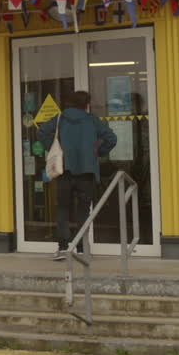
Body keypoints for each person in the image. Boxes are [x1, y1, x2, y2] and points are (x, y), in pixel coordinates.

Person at [38, 90, 117, 260]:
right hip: (87, 172)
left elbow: (42, 132)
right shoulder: (92, 121)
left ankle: (63, 248)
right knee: (83, 210)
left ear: (70, 103)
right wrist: (97, 153)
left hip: (64, 171)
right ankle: (81, 248)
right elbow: (111, 139)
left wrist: (52, 148)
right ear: (86, 105)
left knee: (63, 209)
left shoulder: (61, 119)